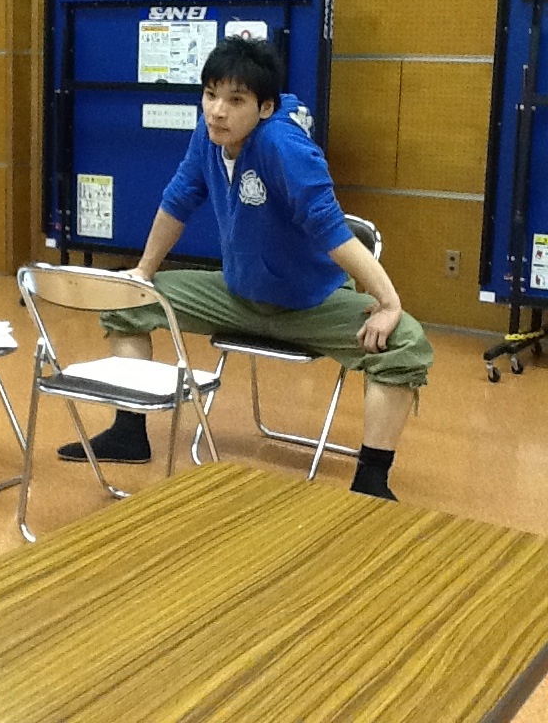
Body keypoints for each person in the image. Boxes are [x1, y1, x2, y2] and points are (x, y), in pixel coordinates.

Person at [58, 37, 433, 500]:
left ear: (265, 107)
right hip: (238, 296)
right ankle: (128, 433)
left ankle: (372, 479)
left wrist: (388, 301)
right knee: (126, 300)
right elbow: (178, 199)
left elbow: (330, 227)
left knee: (405, 341)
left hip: (310, 304)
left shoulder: (284, 146)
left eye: (235, 100)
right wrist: (142, 273)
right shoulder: (208, 135)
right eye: (210, 95)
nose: (218, 111)